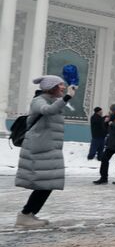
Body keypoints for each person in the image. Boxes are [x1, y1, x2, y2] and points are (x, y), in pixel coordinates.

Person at [15, 75, 77, 228]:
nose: (63, 87)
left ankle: (29, 214)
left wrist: (64, 98)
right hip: (39, 149)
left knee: (48, 184)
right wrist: (67, 97)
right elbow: (47, 111)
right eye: (60, 85)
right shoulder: (39, 101)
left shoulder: (53, 101)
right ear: (52, 87)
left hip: (48, 149)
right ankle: (25, 215)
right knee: (45, 184)